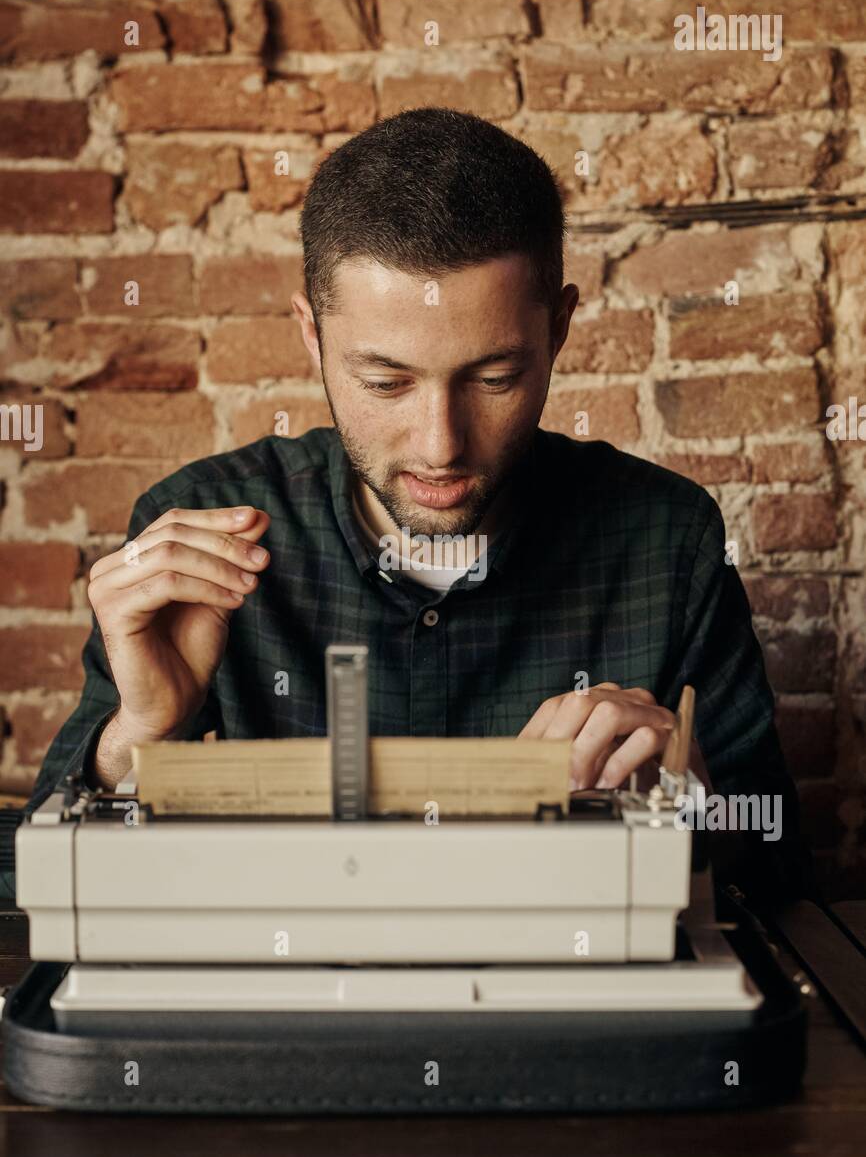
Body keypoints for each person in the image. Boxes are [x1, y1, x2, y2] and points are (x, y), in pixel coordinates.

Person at [26, 107, 817, 908]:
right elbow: (28, 889)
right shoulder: (193, 529)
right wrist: (139, 735)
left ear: (562, 328)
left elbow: (788, 884)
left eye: (495, 379)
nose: (441, 445)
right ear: (312, 336)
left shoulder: (667, 541)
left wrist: (688, 799)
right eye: (385, 384)